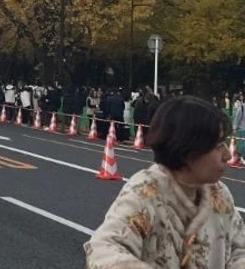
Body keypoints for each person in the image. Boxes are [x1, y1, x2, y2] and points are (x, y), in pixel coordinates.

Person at [84, 95, 245, 269]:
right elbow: (104, 249)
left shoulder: (219, 194)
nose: (228, 155)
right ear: (188, 150)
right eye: (218, 146)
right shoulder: (145, 191)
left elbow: (240, 248)